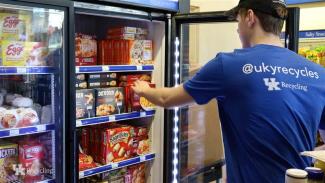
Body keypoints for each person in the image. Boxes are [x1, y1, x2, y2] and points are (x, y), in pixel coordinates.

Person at [132, 0, 325, 182]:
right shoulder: (319, 74)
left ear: (250, 17)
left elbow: (166, 99)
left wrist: (142, 88)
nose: (237, 28)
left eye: (238, 20)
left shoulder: (229, 65)